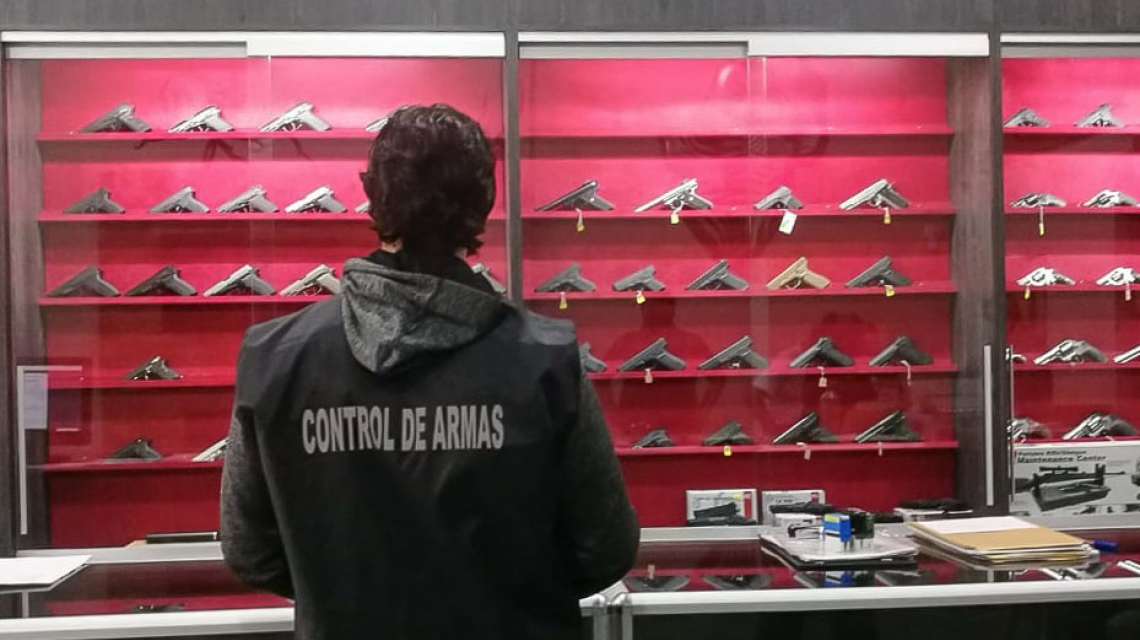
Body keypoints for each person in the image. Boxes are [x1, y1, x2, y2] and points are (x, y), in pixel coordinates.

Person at [220, 104, 640, 639]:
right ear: (484, 203)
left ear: (372, 193)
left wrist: (351, 595)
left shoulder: (275, 356)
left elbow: (249, 550)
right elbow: (605, 547)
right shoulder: (546, 359)